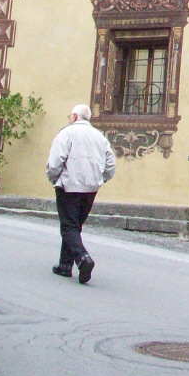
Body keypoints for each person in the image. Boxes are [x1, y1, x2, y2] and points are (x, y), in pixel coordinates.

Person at [45, 104, 116, 284]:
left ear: (75, 117)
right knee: (75, 225)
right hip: (90, 188)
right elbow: (110, 165)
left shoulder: (67, 133)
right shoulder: (100, 137)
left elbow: (55, 161)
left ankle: (83, 258)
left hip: (69, 185)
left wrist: (54, 178)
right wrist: (100, 179)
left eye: (70, 115)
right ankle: (65, 265)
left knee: (68, 226)